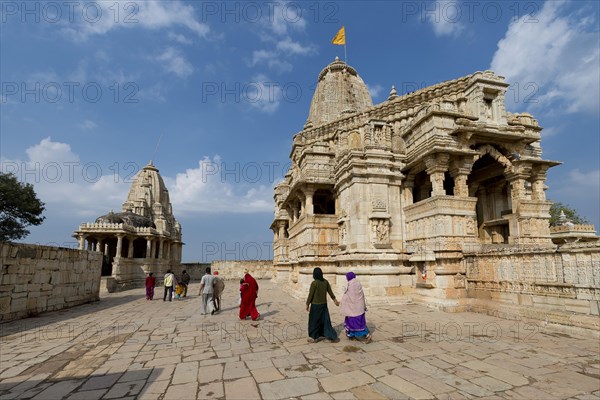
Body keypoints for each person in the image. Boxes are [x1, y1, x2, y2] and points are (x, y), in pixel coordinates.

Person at [306, 267, 339, 343]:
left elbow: (310, 295)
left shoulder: (314, 283)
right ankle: (328, 335)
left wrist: (307, 304)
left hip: (315, 306)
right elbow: (330, 292)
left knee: (314, 322)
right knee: (325, 321)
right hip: (323, 305)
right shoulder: (325, 282)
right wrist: (335, 301)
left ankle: (314, 337)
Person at [340, 272, 372, 343]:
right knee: (360, 322)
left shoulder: (350, 285)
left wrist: (342, 301)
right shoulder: (358, 283)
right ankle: (352, 335)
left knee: (354, 322)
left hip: (353, 308)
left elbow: (348, 296)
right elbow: (360, 295)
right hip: (360, 307)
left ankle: (366, 335)